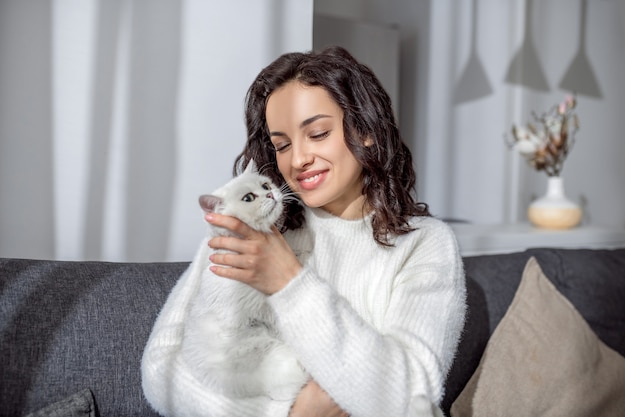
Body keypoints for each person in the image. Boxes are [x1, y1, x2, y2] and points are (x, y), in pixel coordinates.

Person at [142, 46, 466, 417]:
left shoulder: (424, 244)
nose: (297, 160)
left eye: (317, 133)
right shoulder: (249, 227)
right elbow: (161, 369)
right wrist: (288, 414)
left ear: (365, 131)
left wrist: (288, 282)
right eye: (281, 144)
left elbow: (409, 396)